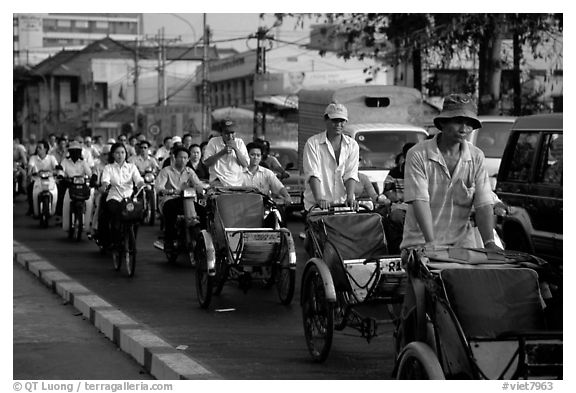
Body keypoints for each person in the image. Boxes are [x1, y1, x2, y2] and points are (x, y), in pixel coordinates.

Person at [400, 93, 499, 251]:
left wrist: (489, 243)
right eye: (458, 122)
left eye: (469, 124)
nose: (464, 129)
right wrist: (430, 243)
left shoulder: (476, 156)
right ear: (443, 123)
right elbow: (420, 201)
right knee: (435, 273)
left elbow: (484, 204)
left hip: (462, 245)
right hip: (420, 244)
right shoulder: (418, 154)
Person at [302, 102, 359, 211]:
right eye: (334, 120)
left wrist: (350, 197)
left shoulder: (352, 145)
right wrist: (319, 199)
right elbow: (313, 174)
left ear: (346, 122)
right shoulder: (313, 143)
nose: (338, 124)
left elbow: (351, 174)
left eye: (341, 121)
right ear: (326, 119)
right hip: (317, 208)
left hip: (343, 207)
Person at [155, 146, 205, 251]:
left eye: (185, 158)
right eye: (180, 157)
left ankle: (204, 238)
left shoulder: (189, 171)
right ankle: (169, 240)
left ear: (188, 159)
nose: (183, 160)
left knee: (204, 211)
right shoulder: (166, 171)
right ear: (174, 158)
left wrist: (202, 189)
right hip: (169, 200)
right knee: (170, 210)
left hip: (187, 201)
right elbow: (159, 187)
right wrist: (165, 191)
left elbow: (198, 184)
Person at [99, 143, 145, 250]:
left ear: (126, 154)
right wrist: (104, 185)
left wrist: (141, 184)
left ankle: (131, 240)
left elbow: (138, 179)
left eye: (123, 152)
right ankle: (115, 241)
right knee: (116, 216)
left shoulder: (131, 167)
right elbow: (105, 180)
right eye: (117, 153)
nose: (120, 155)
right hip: (114, 197)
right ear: (113, 155)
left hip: (129, 198)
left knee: (136, 217)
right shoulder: (108, 168)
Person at [202, 120, 249, 186]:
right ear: (222, 133)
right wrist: (222, 152)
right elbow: (206, 163)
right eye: (227, 133)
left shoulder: (239, 142)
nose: (230, 136)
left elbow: (245, 164)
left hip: (237, 182)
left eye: (232, 133)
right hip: (218, 181)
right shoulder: (213, 141)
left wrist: (236, 149)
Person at [61, 141, 93, 233]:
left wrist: (92, 177)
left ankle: (87, 224)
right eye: (73, 151)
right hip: (70, 186)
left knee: (89, 202)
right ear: (69, 152)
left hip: (82, 186)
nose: (75, 153)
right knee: (66, 203)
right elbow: (61, 171)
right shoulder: (65, 161)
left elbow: (89, 173)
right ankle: (66, 224)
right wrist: (60, 175)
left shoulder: (83, 162)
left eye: (77, 151)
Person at [26, 140, 59, 217]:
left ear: (46, 149)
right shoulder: (33, 158)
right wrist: (29, 172)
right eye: (37, 147)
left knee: (59, 189)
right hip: (36, 180)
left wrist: (56, 171)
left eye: (40, 148)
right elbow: (30, 167)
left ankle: (57, 209)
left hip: (50, 180)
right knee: (30, 189)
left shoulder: (52, 158)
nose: (38, 149)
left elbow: (56, 168)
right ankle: (32, 208)